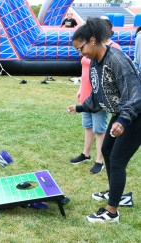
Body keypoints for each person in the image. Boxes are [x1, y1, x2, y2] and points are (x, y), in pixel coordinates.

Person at [67, 18, 141, 223]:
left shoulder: (116, 59)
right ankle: (117, 194)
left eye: (80, 48)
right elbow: (100, 94)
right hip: (122, 113)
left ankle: (111, 212)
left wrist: (123, 121)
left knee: (117, 160)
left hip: (136, 114)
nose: (80, 53)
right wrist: (81, 107)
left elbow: (135, 94)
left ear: (92, 40)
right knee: (107, 151)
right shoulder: (94, 62)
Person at [70, 17, 121, 175]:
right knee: (88, 126)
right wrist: (81, 88)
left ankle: (100, 160)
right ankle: (86, 154)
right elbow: (86, 71)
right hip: (86, 94)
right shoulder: (89, 49)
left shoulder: (111, 49)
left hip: (98, 96)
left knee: (99, 129)